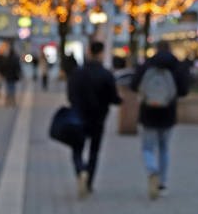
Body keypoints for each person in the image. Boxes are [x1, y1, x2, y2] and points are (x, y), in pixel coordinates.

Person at [131, 41, 189, 200]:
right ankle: (162, 183)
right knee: (164, 148)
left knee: (148, 147)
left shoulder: (147, 64)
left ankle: (152, 170)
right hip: (168, 112)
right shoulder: (176, 65)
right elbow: (184, 90)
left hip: (148, 112)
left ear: (156, 50)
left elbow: (134, 84)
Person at [67, 42, 122, 198]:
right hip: (98, 118)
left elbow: (70, 95)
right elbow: (113, 97)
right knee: (94, 151)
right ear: (101, 53)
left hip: (78, 116)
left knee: (77, 149)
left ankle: (80, 170)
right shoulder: (105, 74)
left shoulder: (77, 73)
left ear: (89, 51)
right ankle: (89, 181)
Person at [0, 43, 21, 107]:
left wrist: (3, 73)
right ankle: (12, 100)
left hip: (8, 75)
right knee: (12, 88)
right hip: (13, 76)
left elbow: (3, 67)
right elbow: (18, 67)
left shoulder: (6, 58)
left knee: (8, 88)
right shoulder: (15, 59)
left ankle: (8, 100)